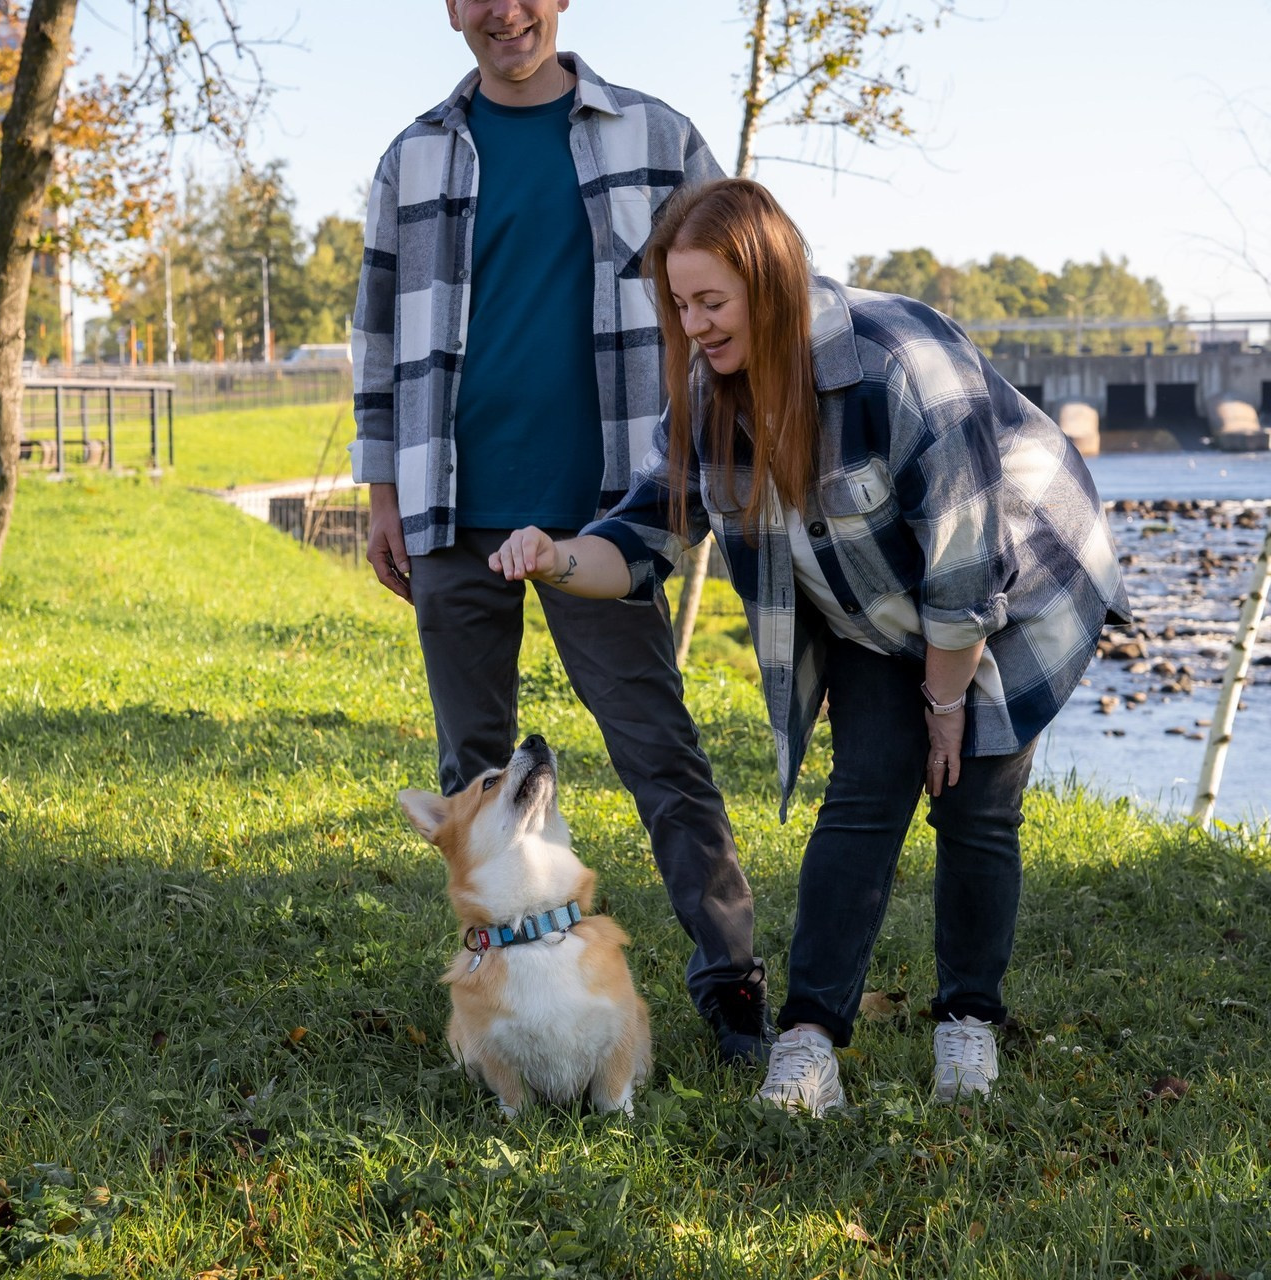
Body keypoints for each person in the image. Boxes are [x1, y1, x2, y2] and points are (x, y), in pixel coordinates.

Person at [490, 178, 1132, 1115]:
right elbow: (643, 539)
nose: (695, 325)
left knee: (975, 801)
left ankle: (969, 1022)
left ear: (773, 283)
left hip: (1016, 585)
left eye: (713, 301)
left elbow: (963, 565)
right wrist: (555, 556)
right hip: (878, 610)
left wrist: (947, 704)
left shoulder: (902, 362)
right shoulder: (709, 400)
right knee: (868, 787)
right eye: (680, 304)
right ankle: (809, 1039)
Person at [349, 1, 773, 1064]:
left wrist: (728, 457)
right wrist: (383, 491)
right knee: (472, 771)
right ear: (450, 10)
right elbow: (378, 330)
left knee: (659, 753)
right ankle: (501, 1007)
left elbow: (741, 298)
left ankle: (731, 988)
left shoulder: (656, 136)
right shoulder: (412, 158)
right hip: (449, 504)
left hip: (608, 511)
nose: (505, 11)